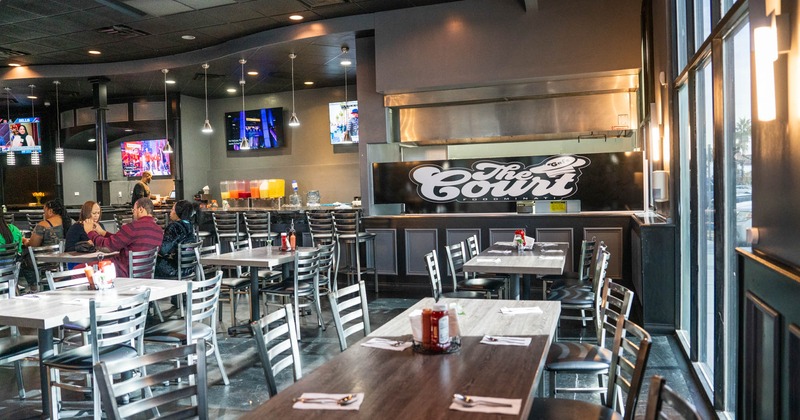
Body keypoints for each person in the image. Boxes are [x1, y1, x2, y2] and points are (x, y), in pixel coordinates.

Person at [84, 197, 163, 278]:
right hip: (145, 274)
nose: (133, 213)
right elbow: (121, 241)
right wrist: (103, 233)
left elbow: (107, 246)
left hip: (122, 271)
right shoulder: (159, 231)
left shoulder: (132, 227)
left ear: (141, 209)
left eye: (134, 210)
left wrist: (90, 232)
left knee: (81, 270)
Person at [21, 199, 72, 291]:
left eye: (44, 211)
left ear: (50, 211)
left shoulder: (44, 225)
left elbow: (32, 245)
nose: (44, 214)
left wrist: (24, 240)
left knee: (24, 259)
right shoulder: (70, 222)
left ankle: (34, 287)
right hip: (66, 261)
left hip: (47, 261)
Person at [155, 200, 199, 278]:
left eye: (172, 209)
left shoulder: (174, 227)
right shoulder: (190, 225)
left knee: (149, 264)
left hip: (174, 269)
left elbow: (163, 250)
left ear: (178, 212)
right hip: (189, 268)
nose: (170, 212)